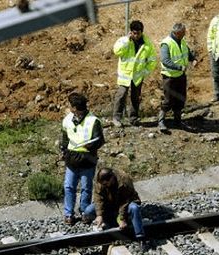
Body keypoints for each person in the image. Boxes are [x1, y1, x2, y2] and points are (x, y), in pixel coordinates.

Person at [60, 92, 105, 225]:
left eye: (72, 107)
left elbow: (100, 140)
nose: (71, 109)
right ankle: (69, 214)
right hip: (72, 159)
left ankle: (85, 212)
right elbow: (65, 137)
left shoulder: (93, 121)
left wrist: (89, 145)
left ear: (75, 107)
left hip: (87, 160)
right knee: (69, 187)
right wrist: (63, 150)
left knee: (86, 187)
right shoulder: (67, 120)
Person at [112, 20, 157, 127]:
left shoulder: (147, 44)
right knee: (121, 95)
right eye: (133, 33)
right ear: (130, 32)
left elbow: (152, 60)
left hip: (137, 76)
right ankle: (116, 118)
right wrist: (127, 40)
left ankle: (133, 118)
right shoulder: (124, 41)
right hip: (125, 75)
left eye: (138, 33)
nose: (135, 35)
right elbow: (117, 51)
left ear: (142, 32)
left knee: (135, 97)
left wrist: (144, 72)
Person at [85, 167, 145, 243]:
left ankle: (140, 237)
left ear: (112, 178)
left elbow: (125, 202)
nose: (105, 185)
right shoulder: (100, 181)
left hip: (126, 203)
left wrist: (122, 218)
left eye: (106, 183)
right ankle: (108, 223)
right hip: (110, 204)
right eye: (103, 184)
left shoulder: (124, 180)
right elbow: (98, 199)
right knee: (88, 211)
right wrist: (99, 215)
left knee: (134, 208)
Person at [158, 23, 198, 131]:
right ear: (177, 33)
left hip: (181, 76)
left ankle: (178, 121)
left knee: (180, 98)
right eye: (183, 32)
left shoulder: (182, 41)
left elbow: (187, 52)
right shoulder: (166, 43)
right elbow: (165, 60)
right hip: (169, 77)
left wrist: (193, 59)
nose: (185, 34)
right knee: (168, 100)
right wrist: (179, 67)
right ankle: (161, 121)